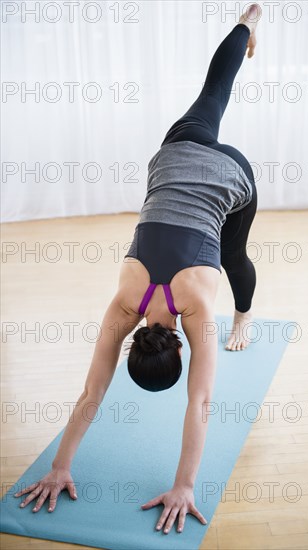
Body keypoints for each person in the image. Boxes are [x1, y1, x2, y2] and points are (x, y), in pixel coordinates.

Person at [13, 3, 262, 536]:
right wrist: (59, 467)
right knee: (212, 93)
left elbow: (200, 401)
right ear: (137, 345)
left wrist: (185, 486)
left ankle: (244, 317)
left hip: (230, 177)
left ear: (178, 347)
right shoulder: (124, 300)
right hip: (173, 155)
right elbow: (92, 394)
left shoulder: (195, 309)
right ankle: (246, 26)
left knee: (235, 259)